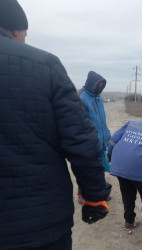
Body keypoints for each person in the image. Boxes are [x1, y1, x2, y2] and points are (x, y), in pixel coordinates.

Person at [0, 1, 110, 249]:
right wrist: (94, 196)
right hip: (38, 224)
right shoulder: (44, 66)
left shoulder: (97, 99)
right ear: (16, 30)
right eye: (25, 35)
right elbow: (81, 140)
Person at [77, 71, 112, 204]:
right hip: (88, 141)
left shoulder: (98, 98)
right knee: (87, 168)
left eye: (102, 85)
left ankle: (100, 193)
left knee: (100, 167)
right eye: (98, 85)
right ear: (91, 83)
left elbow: (102, 120)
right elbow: (80, 123)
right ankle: (82, 195)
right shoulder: (82, 98)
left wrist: (107, 135)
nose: (99, 87)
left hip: (101, 139)